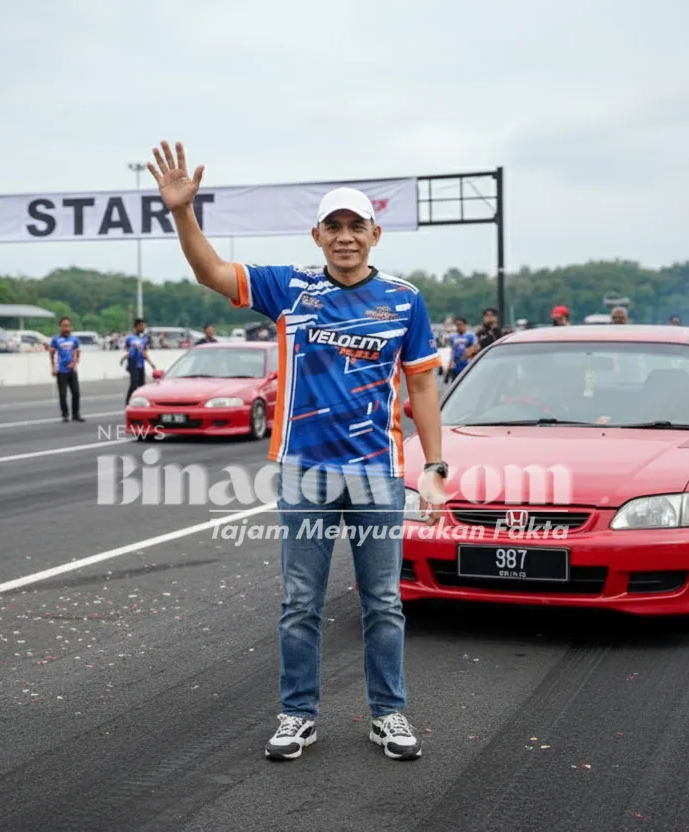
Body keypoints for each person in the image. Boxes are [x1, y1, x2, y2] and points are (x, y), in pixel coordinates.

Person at [149, 140, 445, 762]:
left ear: (375, 234)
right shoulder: (290, 288)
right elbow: (210, 272)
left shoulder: (405, 299)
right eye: (333, 227)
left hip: (377, 475)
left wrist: (436, 468)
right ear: (316, 236)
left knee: (384, 603)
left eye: (355, 227)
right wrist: (182, 213)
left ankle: (388, 715)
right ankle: (297, 715)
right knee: (299, 604)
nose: (344, 237)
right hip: (305, 472)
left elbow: (421, 383)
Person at [48, 317, 84, 422]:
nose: (66, 328)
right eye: (64, 326)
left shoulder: (74, 340)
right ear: (60, 327)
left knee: (76, 393)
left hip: (72, 370)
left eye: (68, 326)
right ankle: (65, 414)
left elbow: (77, 353)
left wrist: (75, 362)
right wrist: (53, 367)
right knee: (63, 394)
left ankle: (76, 414)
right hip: (61, 370)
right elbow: (52, 354)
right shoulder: (55, 340)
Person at [123, 319, 154, 404]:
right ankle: (128, 402)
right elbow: (126, 349)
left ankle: (140, 403)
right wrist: (125, 357)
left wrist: (151, 363)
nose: (144, 328)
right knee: (134, 385)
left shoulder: (144, 338)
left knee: (142, 385)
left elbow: (144, 351)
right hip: (133, 363)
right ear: (137, 326)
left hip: (141, 364)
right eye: (142, 326)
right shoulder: (130, 338)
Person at [444, 317, 476, 383]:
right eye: (457, 325)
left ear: (465, 325)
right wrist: (450, 363)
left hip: (467, 364)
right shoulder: (453, 337)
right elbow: (452, 350)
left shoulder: (470, 336)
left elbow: (475, 349)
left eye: (460, 325)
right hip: (456, 365)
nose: (459, 327)